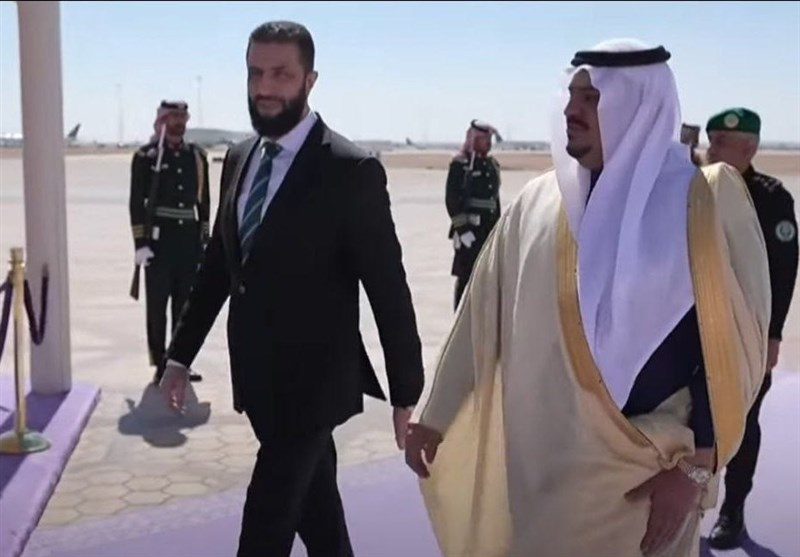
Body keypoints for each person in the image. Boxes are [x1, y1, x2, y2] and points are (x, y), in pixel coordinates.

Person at [404, 39, 771, 557]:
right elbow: (481, 312)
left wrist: (697, 469)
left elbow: (732, 353)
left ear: (638, 107)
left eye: (592, 98)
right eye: (572, 96)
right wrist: (436, 410)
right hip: (544, 471)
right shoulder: (538, 202)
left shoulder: (702, 203)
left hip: (649, 476)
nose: (571, 110)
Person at [158, 20, 425, 557]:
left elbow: (387, 286)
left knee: (266, 525)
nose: (265, 87)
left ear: (309, 80)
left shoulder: (350, 170)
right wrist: (179, 356)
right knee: (319, 516)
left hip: (315, 387)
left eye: (280, 74)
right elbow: (218, 268)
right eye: (255, 73)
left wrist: (406, 392)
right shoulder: (239, 159)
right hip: (258, 380)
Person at [704, 107, 799, 549]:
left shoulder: (771, 197)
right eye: (710, 140)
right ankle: (692, 499)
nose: (710, 149)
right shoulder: (696, 187)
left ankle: (733, 508)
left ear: (749, 148)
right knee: (691, 420)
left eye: (721, 142)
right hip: (697, 327)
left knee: (743, 421)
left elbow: (784, 270)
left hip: (748, 332)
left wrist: (773, 335)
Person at [129, 100, 208, 384]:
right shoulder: (146, 156)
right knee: (157, 307)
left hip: (187, 242)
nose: (179, 123)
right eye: (173, 117)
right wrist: (140, 243)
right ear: (162, 121)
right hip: (158, 243)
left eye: (183, 117)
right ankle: (160, 362)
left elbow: (204, 200)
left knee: (185, 307)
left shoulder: (196, 156)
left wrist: (204, 237)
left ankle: (180, 361)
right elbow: (136, 202)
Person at [445, 119, 502, 310]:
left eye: (490, 139)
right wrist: (462, 230)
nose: (489, 143)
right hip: (470, 231)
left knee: (487, 276)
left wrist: (498, 228)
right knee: (466, 277)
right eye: (485, 139)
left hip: (488, 230)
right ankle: (460, 316)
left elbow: (494, 200)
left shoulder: (492, 165)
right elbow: (452, 199)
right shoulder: (461, 165)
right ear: (474, 139)